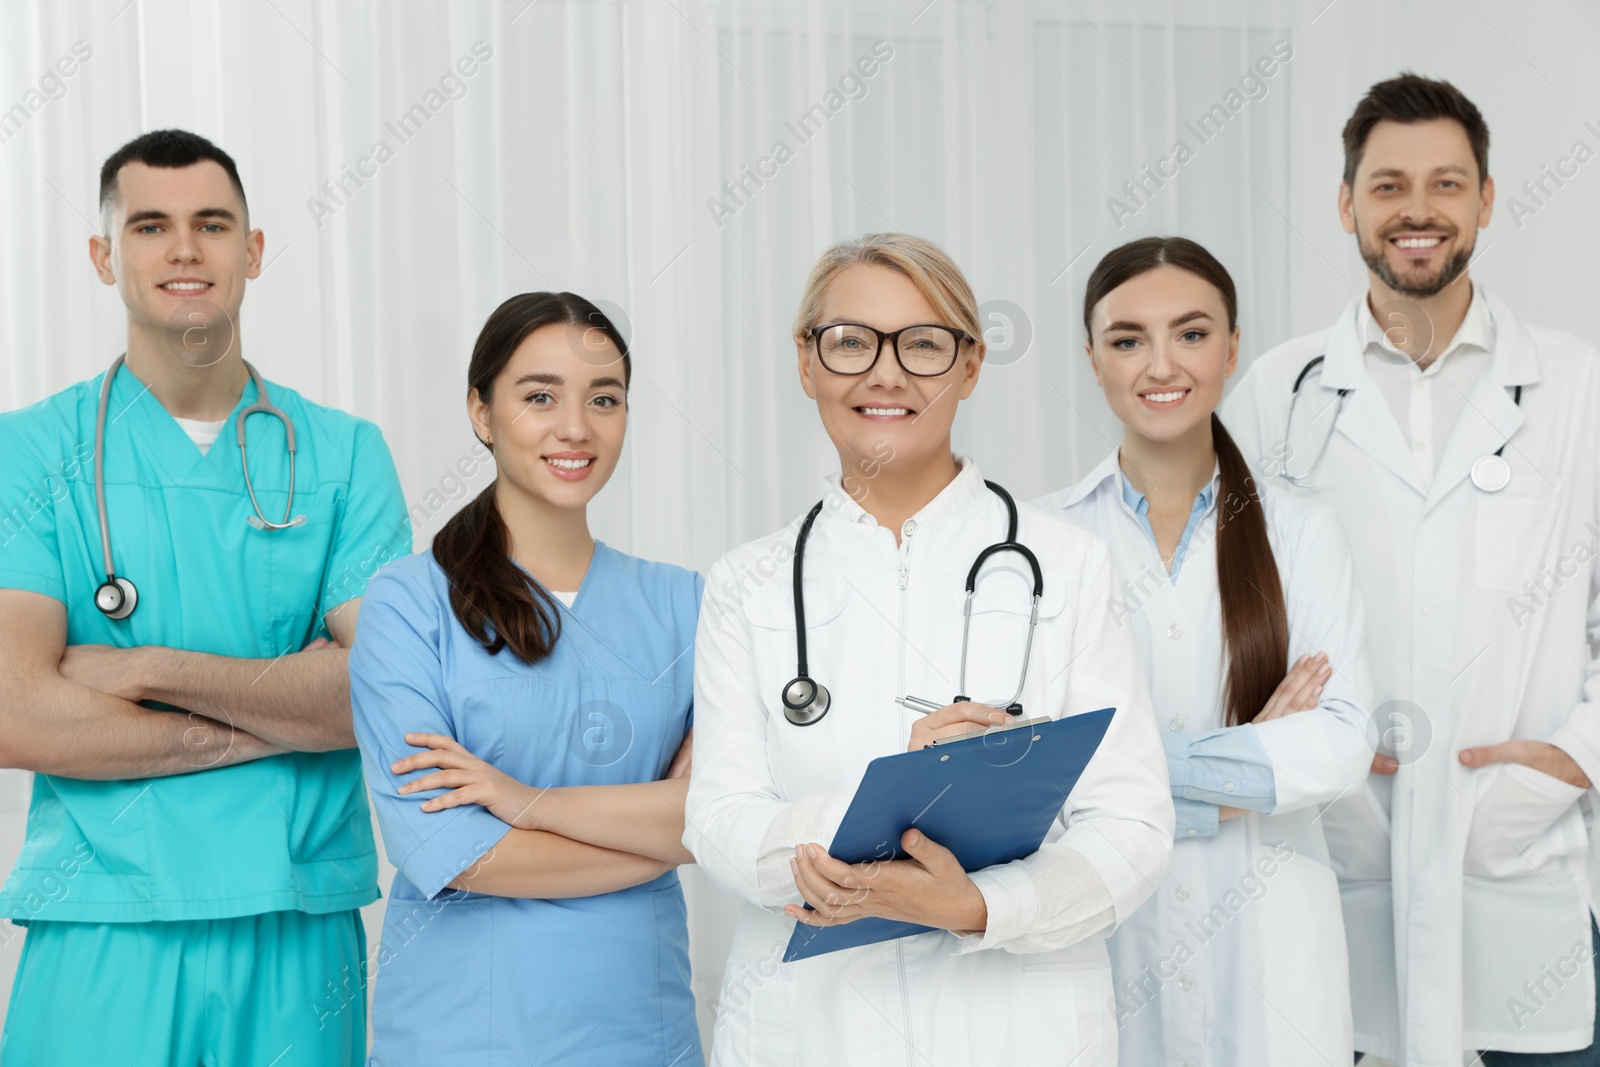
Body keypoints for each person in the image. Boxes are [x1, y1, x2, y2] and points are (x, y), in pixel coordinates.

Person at [684, 232, 1174, 1066]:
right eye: (849, 343)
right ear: (806, 364)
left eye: (922, 343)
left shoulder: (1068, 565)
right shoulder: (746, 584)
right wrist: (857, 837)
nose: (885, 372)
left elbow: (1131, 824)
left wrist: (979, 904)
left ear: (970, 366)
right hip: (810, 1032)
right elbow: (719, 816)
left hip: (1019, 1029)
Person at [0, 129, 409, 1064]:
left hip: (297, 925)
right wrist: (278, 716)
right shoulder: (26, 451)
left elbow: (377, 691)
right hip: (101, 924)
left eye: (212, 224)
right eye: (150, 225)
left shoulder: (343, 455)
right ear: (105, 256)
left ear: (254, 250)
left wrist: (147, 668)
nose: (184, 249)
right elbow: (15, 713)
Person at [1224, 74, 1600, 1065]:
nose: (1417, 210)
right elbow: (1229, 605)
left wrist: (1576, 756)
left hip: (1511, 862)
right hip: (1345, 851)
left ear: (1484, 198)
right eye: (1388, 185)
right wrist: (1302, 744)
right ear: (1346, 205)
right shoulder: (1278, 390)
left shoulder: (1575, 386)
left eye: (1445, 183)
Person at [1035, 236, 1374, 1064]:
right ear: (1092, 359)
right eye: (1127, 339)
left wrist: (1121, 774)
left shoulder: (1302, 530)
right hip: (1106, 944)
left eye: (1190, 334)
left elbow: (1340, 741)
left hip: (1275, 958)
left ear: (1231, 348)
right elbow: (1027, 766)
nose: (1161, 364)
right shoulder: (1040, 540)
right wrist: (1254, 752)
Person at [349, 292, 704, 1066]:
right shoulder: (409, 604)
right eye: (539, 396)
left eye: (603, 399)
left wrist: (523, 802)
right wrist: (663, 840)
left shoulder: (687, 605)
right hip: (459, 1033)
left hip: (636, 1029)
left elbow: (727, 808)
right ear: (481, 411)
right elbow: (452, 849)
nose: (575, 427)